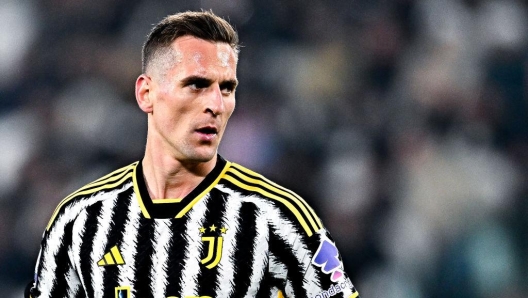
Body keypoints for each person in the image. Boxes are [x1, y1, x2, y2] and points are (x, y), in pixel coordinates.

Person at [26, 10, 360, 298]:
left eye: (226, 88)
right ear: (146, 93)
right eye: (197, 85)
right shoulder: (78, 222)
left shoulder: (276, 218)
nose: (215, 105)